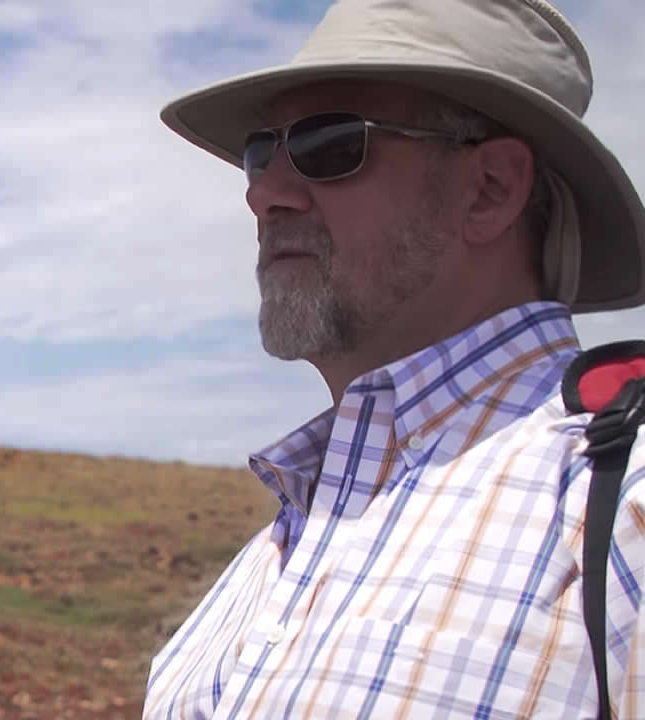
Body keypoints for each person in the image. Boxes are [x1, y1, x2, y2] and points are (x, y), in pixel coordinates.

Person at [142, 0, 645, 718]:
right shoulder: (275, 554)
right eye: (263, 152)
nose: (265, 193)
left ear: (491, 189)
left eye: (329, 144)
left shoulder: (622, 507)